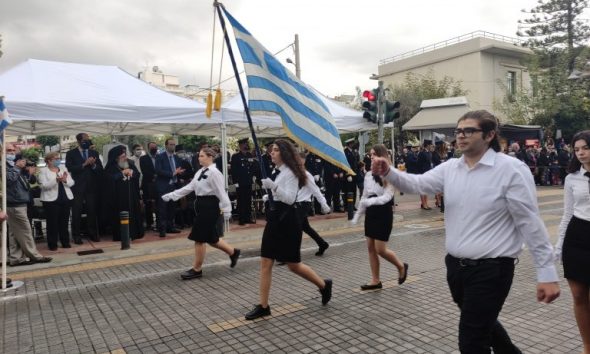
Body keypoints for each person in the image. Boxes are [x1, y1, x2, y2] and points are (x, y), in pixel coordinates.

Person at [371, 110, 560, 353]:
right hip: (456, 268)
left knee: (472, 341)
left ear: (490, 134)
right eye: (458, 131)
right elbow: (417, 184)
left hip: (492, 269)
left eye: (469, 131)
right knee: (485, 326)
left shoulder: (511, 169)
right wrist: (389, 171)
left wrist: (546, 272)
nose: (460, 136)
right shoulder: (451, 168)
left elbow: (530, 223)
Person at [244, 139, 332, 320]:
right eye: (271, 150)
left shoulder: (291, 172)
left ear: (284, 153)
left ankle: (323, 285)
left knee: (294, 265)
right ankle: (263, 305)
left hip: (288, 221)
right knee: (266, 262)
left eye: (275, 150)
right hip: (276, 220)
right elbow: (280, 196)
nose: (272, 153)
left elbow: (291, 199)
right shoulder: (280, 172)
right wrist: (270, 195)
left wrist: (273, 187)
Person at [162, 147, 240, 280]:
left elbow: (221, 193)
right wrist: (172, 195)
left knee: (199, 238)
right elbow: (190, 187)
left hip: (211, 207)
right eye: (199, 156)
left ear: (210, 157)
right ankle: (233, 252)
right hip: (202, 205)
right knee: (212, 239)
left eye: (202, 156)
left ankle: (197, 269)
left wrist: (227, 210)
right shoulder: (200, 171)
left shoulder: (215, 173)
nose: (199, 158)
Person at [352, 144, 408, 290]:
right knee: (370, 247)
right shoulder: (368, 174)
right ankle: (375, 280)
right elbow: (364, 194)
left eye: (374, 155)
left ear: (382, 156)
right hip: (371, 212)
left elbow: (387, 197)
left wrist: (371, 201)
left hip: (383, 211)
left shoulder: (390, 174)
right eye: (370, 155)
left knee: (380, 249)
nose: (371, 158)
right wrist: (358, 213)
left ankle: (401, 266)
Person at [554, 130, 590, 354]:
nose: (581, 153)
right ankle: (587, 346)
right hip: (577, 237)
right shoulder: (571, 178)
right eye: (576, 150)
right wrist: (559, 244)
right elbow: (567, 213)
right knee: (579, 296)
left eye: (585, 147)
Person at [5, 144, 52, 266]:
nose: (12, 153)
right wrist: (17, 167)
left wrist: (28, 173)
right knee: (26, 230)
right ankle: (35, 256)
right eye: (9, 150)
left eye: (13, 151)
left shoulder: (14, 166)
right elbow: (9, 180)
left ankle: (16, 258)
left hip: (18, 202)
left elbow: (26, 184)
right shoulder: (6, 166)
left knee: (14, 233)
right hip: (14, 204)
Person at [66, 132, 103, 243]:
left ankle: (93, 233)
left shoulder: (94, 152)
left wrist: (94, 165)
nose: (87, 141)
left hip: (91, 186)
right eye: (84, 140)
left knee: (92, 211)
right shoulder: (71, 153)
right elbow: (70, 167)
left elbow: (100, 169)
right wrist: (84, 164)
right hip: (77, 187)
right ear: (78, 141)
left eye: (88, 139)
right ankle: (76, 235)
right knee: (77, 211)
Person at [105, 145, 144, 241]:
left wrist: (132, 172)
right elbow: (109, 180)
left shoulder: (130, 163)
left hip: (132, 195)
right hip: (119, 197)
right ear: (116, 158)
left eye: (125, 155)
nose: (125, 158)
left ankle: (135, 233)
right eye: (122, 156)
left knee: (133, 213)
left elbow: (137, 174)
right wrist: (121, 173)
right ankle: (121, 235)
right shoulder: (111, 167)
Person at [38, 152, 75, 250]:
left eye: (59, 158)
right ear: (49, 161)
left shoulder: (63, 169)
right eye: (56, 158)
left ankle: (65, 242)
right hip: (51, 201)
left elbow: (71, 183)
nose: (58, 160)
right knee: (52, 223)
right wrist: (56, 180)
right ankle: (52, 244)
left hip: (65, 199)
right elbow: (43, 186)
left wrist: (65, 180)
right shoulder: (43, 171)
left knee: (64, 222)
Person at [297, 152, 331, 256]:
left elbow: (316, 191)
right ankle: (322, 244)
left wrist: (324, 204)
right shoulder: (295, 174)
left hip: (303, 205)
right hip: (296, 204)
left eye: (299, 160)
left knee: (295, 228)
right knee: (305, 227)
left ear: (303, 161)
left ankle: (292, 253)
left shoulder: (307, 175)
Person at [155, 138, 184, 237]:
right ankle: (162, 229)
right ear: (166, 145)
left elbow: (178, 169)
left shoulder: (176, 157)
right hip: (163, 186)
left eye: (174, 145)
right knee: (162, 208)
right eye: (171, 144)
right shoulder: (160, 157)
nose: (173, 146)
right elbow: (158, 171)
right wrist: (173, 173)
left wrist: (179, 172)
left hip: (174, 186)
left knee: (172, 207)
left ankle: (170, 226)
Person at [231, 138, 255, 225]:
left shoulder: (249, 155)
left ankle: (248, 218)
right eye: (245, 144)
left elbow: (252, 167)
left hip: (248, 181)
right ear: (240, 145)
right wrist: (235, 183)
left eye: (246, 144)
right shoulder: (235, 156)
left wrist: (252, 176)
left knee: (248, 200)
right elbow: (234, 171)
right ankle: (241, 219)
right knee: (241, 201)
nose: (246, 145)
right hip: (240, 182)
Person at [140, 142, 158, 231]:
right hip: (148, 184)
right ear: (148, 148)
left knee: (158, 203)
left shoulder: (160, 157)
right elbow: (144, 171)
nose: (154, 149)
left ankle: (159, 222)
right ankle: (149, 223)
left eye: (155, 147)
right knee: (148, 204)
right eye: (152, 147)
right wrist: (154, 176)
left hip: (159, 183)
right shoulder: (143, 159)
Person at [417, 139, 433, 210]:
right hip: (423, 173)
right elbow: (419, 164)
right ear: (428, 145)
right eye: (430, 145)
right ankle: (424, 204)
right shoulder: (422, 153)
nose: (431, 146)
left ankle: (426, 203)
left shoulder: (429, 153)